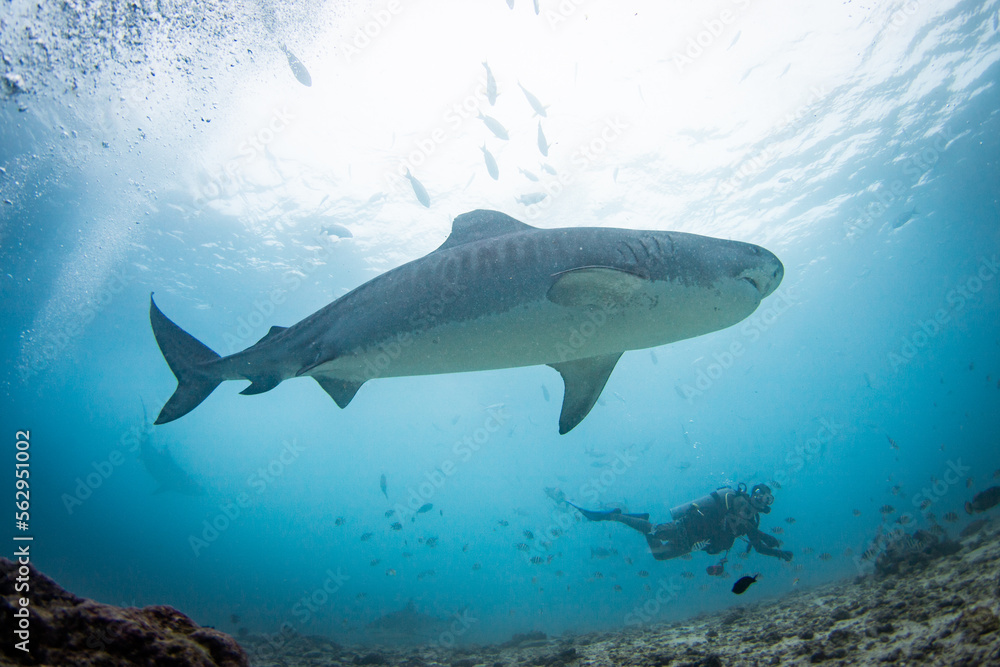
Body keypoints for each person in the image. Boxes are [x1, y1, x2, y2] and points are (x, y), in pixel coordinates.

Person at [569, 483, 793, 563]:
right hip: (687, 528)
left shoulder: (753, 520)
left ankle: (642, 521)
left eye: (766, 499)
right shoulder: (736, 500)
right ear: (752, 494)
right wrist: (764, 536)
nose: (760, 501)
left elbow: (758, 546)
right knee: (654, 531)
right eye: (759, 495)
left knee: (659, 556)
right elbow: (735, 518)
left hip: (695, 543)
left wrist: (779, 554)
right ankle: (614, 516)